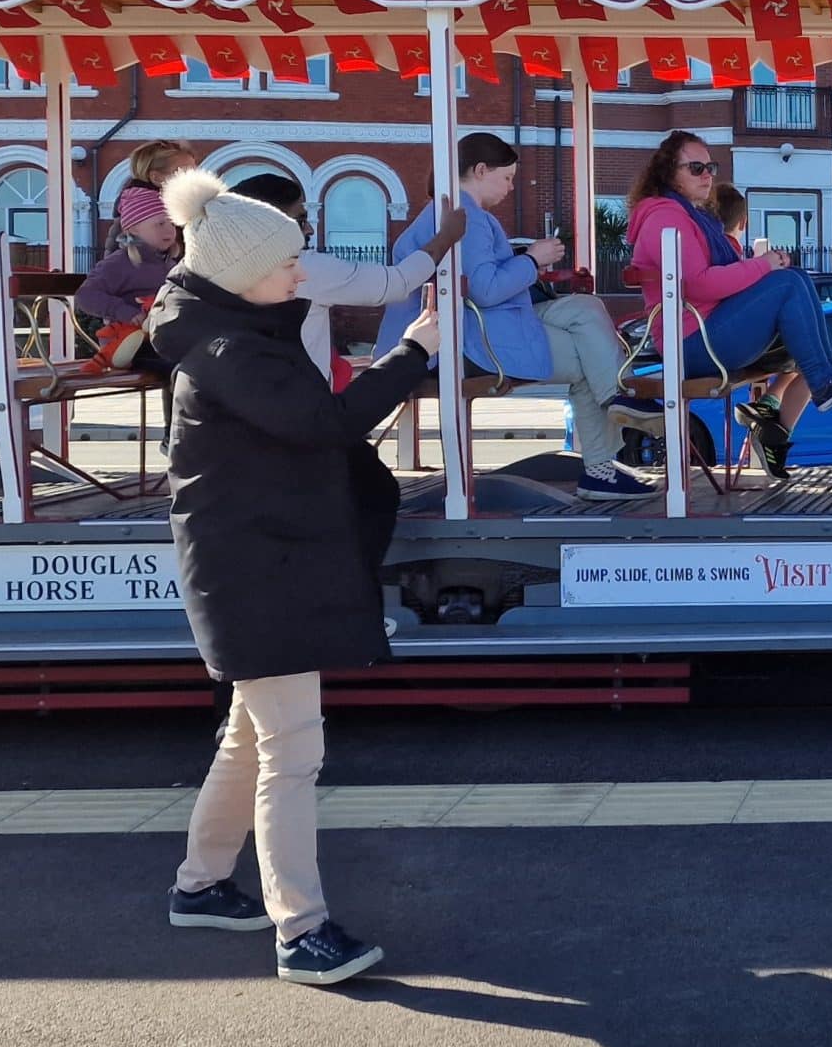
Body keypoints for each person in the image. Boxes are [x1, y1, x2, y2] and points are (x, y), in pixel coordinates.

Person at [148, 168, 441, 987]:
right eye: (287, 265)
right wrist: (415, 352)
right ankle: (301, 931)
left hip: (251, 559)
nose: (300, 274)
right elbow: (325, 423)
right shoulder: (231, 348)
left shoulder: (218, 328)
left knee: (251, 737)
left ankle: (200, 886)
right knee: (292, 752)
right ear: (244, 273)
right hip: (257, 569)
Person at [375, 133, 652, 502]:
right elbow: (485, 289)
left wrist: (523, 257)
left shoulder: (450, 211)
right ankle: (608, 444)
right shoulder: (467, 216)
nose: (509, 187)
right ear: (480, 170)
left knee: (587, 309)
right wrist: (533, 259)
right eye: (506, 178)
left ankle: (619, 400)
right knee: (589, 358)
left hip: (465, 332)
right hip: (470, 341)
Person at [622, 131, 832, 480]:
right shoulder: (665, 218)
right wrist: (763, 266)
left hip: (708, 331)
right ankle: (819, 384)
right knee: (789, 283)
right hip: (692, 343)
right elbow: (700, 282)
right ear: (669, 173)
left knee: (797, 281)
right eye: (696, 168)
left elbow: (722, 278)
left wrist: (765, 267)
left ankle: (778, 413)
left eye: (710, 167)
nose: (707, 175)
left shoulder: (691, 217)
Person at [231, 174, 465, 383]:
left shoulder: (218, 270)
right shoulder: (308, 268)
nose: (310, 231)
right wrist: (446, 237)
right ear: (272, 224)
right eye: (301, 221)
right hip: (297, 409)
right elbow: (398, 283)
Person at [72, 183, 183, 369]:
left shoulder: (170, 263)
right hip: (128, 341)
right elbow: (85, 296)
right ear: (133, 230)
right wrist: (125, 312)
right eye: (160, 224)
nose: (169, 230)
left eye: (171, 223)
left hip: (161, 337)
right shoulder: (120, 263)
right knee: (182, 365)